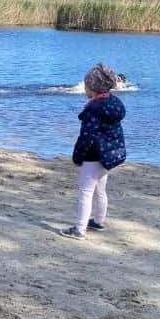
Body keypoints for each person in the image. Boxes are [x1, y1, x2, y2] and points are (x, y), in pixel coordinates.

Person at [60, 63, 126, 240]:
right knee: (100, 190)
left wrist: (77, 156)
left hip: (94, 155)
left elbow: (86, 136)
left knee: (85, 191)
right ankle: (98, 221)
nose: (84, 89)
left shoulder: (93, 109)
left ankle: (79, 229)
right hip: (108, 155)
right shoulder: (114, 103)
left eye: (86, 86)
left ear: (94, 88)